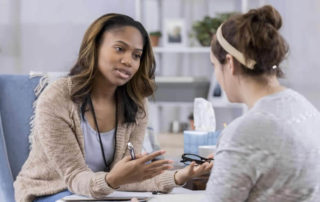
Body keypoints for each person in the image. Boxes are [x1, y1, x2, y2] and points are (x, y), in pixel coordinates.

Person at [14, 13, 212, 202]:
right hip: (50, 192)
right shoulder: (58, 97)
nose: (128, 61)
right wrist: (113, 180)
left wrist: (178, 176)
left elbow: (127, 176)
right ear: (95, 47)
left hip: (105, 192)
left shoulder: (136, 103)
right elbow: (75, 177)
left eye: (136, 55)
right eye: (119, 49)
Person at [205, 5, 320, 202]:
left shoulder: (244, 131)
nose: (216, 74)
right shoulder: (307, 109)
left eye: (215, 65)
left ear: (230, 64)